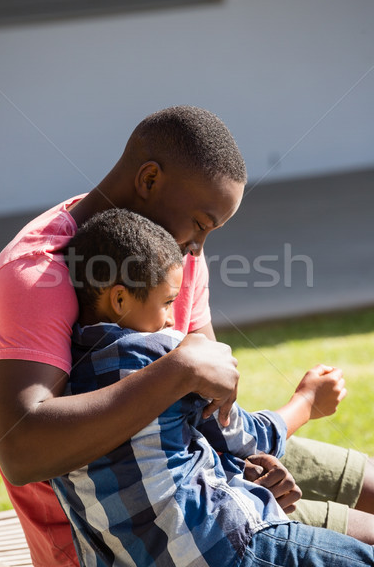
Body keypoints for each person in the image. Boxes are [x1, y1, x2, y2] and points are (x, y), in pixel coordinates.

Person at [0, 106, 373, 566]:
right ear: (149, 180)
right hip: (130, 536)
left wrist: (245, 467)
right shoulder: (35, 275)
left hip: (207, 485)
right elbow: (22, 450)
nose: (200, 248)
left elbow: (212, 408)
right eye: (201, 224)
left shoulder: (171, 254)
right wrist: (181, 368)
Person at [51, 208, 374, 566]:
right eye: (168, 302)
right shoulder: (167, 357)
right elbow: (241, 435)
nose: (173, 319)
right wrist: (307, 401)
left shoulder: (63, 378)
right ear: (121, 299)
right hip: (229, 543)